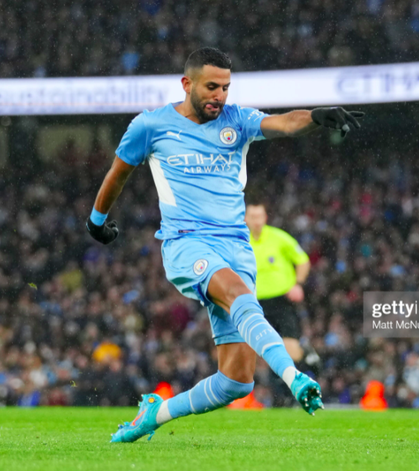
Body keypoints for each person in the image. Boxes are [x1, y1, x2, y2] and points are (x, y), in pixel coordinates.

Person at [85, 47, 364, 442]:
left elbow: (284, 123)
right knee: (239, 296)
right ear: (187, 84)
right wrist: (97, 221)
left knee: (236, 382)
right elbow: (118, 174)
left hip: (235, 248)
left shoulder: (238, 120)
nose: (220, 95)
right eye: (211, 86)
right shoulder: (150, 126)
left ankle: (155, 413)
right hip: (187, 244)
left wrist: (317, 117)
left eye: (226, 87)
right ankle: (294, 376)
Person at [245, 202, 311, 364]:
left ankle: (305, 366)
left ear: (265, 218)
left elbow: (303, 260)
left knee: (291, 350)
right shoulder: (240, 242)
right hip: (254, 304)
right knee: (254, 354)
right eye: (253, 217)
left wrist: (298, 284)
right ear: (245, 219)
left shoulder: (279, 238)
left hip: (282, 302)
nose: (257, 221)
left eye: (259, 216)